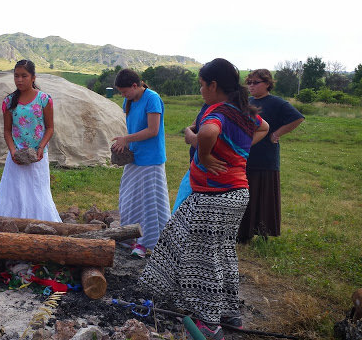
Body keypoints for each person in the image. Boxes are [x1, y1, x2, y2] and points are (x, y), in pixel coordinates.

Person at [139, 58, 269, 338]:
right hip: (237, 194)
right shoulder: (244, 111)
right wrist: (237, 151)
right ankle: (230, 314)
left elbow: (208, 131)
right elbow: (264, 128)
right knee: (222, 253)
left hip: (213, 197)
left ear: (213, 85)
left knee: (203, 261)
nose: (200, 91)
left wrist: (203, 151)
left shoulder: (217, 112)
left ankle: (210, 325)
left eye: (201, 85)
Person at [0, 59, 62, 222]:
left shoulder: (44, 99)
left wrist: (41, 148)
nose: (19, 80)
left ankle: (39, 222)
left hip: (38, 155)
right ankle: (14, 223)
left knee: (38, 190)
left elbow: (50, 128)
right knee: (14, 191)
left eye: (24, 76)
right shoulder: (8, 101)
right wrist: (13, 152)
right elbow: (7, 131)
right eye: (16, 76)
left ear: (33, 78)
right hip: (17, 155)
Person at [237, 69, 304, 243]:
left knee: (262, 195)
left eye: (255, 82)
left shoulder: (277, 103)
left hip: (266, 157)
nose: (251, 86)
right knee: (245, 194)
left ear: (267, 84)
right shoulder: (247, 101)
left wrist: (276, 133)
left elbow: (297, 118)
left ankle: (263, 232)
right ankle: (243, 232)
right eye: (249, 82)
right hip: (246, 154)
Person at [111, 69, 170, 258]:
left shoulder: (152, 98)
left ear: (135, 86)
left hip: (151, 159)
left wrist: (126, 139)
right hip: (134, 157)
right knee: (128, 199)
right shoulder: (128, 101)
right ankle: (130, 236)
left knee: (149, 203)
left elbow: (153, 130)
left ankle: (147, 244)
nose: (123, 95)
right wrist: (124, 143)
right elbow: (132, 126)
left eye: (124, 91)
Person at [171, 102, 209, 214]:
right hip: (195, 165)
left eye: (203, 86)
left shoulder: (223, 110)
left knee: (182, 213)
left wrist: (189, 132)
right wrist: (189, 129)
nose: (201, 90)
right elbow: (196, 124)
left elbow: (202, 142)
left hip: (205, 173)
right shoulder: (207, 105)